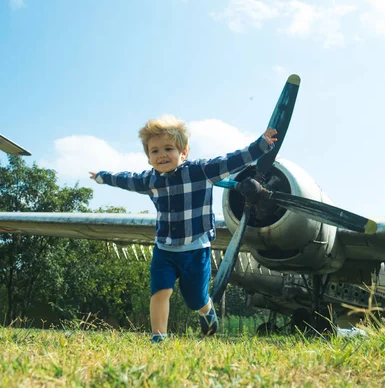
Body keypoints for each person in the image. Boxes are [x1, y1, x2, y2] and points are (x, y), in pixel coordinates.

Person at [90, 116, 277, 343]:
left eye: (168, 148)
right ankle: (159, 338)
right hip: (164, 249)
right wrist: (103, 177)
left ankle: (206, 310)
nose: (161, 155)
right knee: (160, 291)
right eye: (154, 151)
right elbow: (126, 180)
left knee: (195, 298)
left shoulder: (202, 171)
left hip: (196, 250)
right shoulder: (150, 180)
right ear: (148, 158)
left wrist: (260, 146)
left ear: (184, 152)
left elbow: (230, 161)